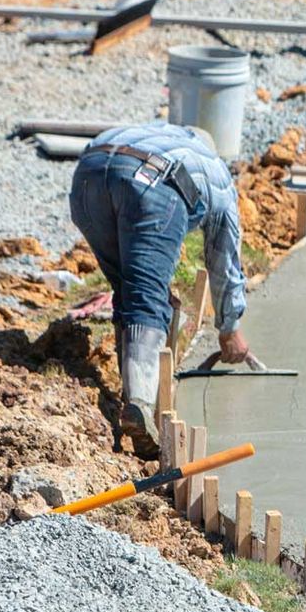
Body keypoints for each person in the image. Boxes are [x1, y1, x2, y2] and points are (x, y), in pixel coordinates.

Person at [69, 121, 250, 454]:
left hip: (88, 176)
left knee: (129, 288)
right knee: (146, 299)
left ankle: (132, 396)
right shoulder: (214, 169)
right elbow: (224, 258)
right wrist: (230, 327)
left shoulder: (160, 134)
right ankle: (139, 403)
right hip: (152, 182)